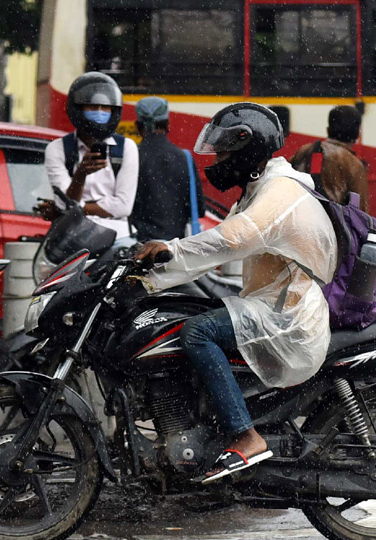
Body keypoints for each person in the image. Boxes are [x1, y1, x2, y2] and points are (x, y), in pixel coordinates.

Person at [133, 102, 335, 482]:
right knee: (191, 316)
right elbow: (213, 249)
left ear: (249, 149)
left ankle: (246, 436)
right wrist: (150, 272)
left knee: (197, 332)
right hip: (273, 305)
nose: (218, 162)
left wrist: (170, 251)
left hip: (288, 318)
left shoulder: (279, 192)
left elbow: (232, 239)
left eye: (225, 153)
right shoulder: (259, 189)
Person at [40, 71, 138, 245]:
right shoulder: (57, 149)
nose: (99, 112)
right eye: (92, 107)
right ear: (77, 109)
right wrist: (81, 174)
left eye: (105, 108)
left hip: (118, 238)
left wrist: (81, 208)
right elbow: (65, 205)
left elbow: (124, 206)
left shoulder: (127, 148)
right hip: (72, 237)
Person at [129, 96, 203, 243]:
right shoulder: (184, 157)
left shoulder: (132, 156)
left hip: (138, 248)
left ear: (138, 126)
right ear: (168, 124)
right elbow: (198, 208)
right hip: (174, 248)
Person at [290, 104, 369, 211]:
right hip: (331, 226)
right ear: (357, 133)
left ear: (328, 129)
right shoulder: (354, 164)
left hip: (299, 219)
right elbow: (360, 213)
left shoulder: (304, 151)